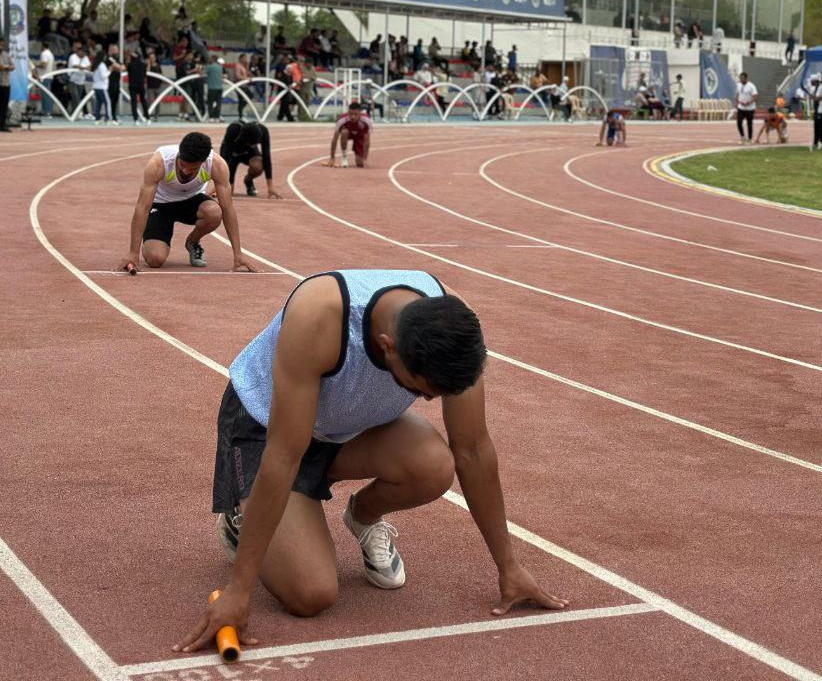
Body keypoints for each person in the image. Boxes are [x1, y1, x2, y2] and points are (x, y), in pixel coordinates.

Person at [173, 269, 566, 654]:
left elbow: (473, 449)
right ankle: (241, 515)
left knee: (434, 465)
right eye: (420, 392)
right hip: (266, 429)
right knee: (311, 594)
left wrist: (509, 566)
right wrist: (238, 589)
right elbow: (283, 456)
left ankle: (362, 515)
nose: (428, 400)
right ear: (387, 346)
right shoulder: (318, 315)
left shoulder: (455, 328)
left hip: (343, 428)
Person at [117, 132, 256, 273]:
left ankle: (192, 241)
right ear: (179, 154)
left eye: (193, 169)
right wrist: (133, 253)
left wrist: (238, 254)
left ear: (203, 162)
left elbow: (228, 209)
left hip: (191, 201)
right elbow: (142, 207)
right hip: (161, 204)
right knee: (155, 259)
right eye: (182, 164)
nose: (185, 170)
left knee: (214, 212)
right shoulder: (159, 162)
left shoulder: (217, 165)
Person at [219, 119, 283, 199]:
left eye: (257, 143)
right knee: (228, 193)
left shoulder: (263, 131)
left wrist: (270, 186)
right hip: (232, 155)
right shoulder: (233, 130)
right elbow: (224, 160)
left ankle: (248, 181)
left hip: (249, 153)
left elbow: (267, 157)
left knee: (258, 166)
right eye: (253, 144)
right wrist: (219, 184)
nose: (255, 145)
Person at [326, 101, 373, 168]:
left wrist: (365, 159)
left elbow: (367, 141)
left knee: (360, 163)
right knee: (344, 132)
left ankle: (361, 158)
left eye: (356, 114)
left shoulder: (366, 120)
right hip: (347, 134)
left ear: (360, 113)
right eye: (351, 114)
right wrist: (332, 158)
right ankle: (344, 157)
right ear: (348, 112)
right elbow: (334, 139)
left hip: (359, 136)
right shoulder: (342, 119)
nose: (353, 117)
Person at [734, 72, 757, 143]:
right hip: (741, 107)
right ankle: (742, 137)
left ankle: (749, 139)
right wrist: (737, 101)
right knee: (739, 122)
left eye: (742, 78)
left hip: (750, 108)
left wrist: (749, 102)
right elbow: (737, 94)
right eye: (740, 79)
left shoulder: (751, 86)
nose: (741, 80)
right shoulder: (738, 85)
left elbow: (755, 96)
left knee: (749, 124)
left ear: (746, 78)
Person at [35, 39, 57, 116]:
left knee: (45, 94)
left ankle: (47, 111)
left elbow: (44, 65)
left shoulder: (44, 54)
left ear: (42, 46)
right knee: (46, 94)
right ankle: (46, 110)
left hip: (44, 76)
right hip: (49, 76)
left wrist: (36, 65)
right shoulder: (50, 54)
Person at [105, 43, 125, 125]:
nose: (116, 50)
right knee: (110, 100)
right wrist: (118, 67)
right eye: (115, 49)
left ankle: (113, 117)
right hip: (110, 83)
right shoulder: (108, 58)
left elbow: (123, 67)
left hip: (117, 83)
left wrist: (118, 67)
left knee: (115, 101)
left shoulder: (117, 59)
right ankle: (109, 117)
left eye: (117, 49)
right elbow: (117, 67)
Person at [90, 51, 111, 124]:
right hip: (102, 87)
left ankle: (97, 118)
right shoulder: (102, 65)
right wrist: (109, 71)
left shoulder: (96, 64)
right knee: (107, 102)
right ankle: (108, 118)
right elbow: (103, 76)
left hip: (96, 86)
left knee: (98, 103)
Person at [206, 55, 226, 121]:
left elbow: (203, 73)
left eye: (210, 58)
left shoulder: (210, 67)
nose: (209, 59)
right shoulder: (220, 67)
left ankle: (211, 117)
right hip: (219, 87)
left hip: (212, 88)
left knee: (210, 103)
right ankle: (217, 117)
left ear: (213, 59)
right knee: (218, 103)